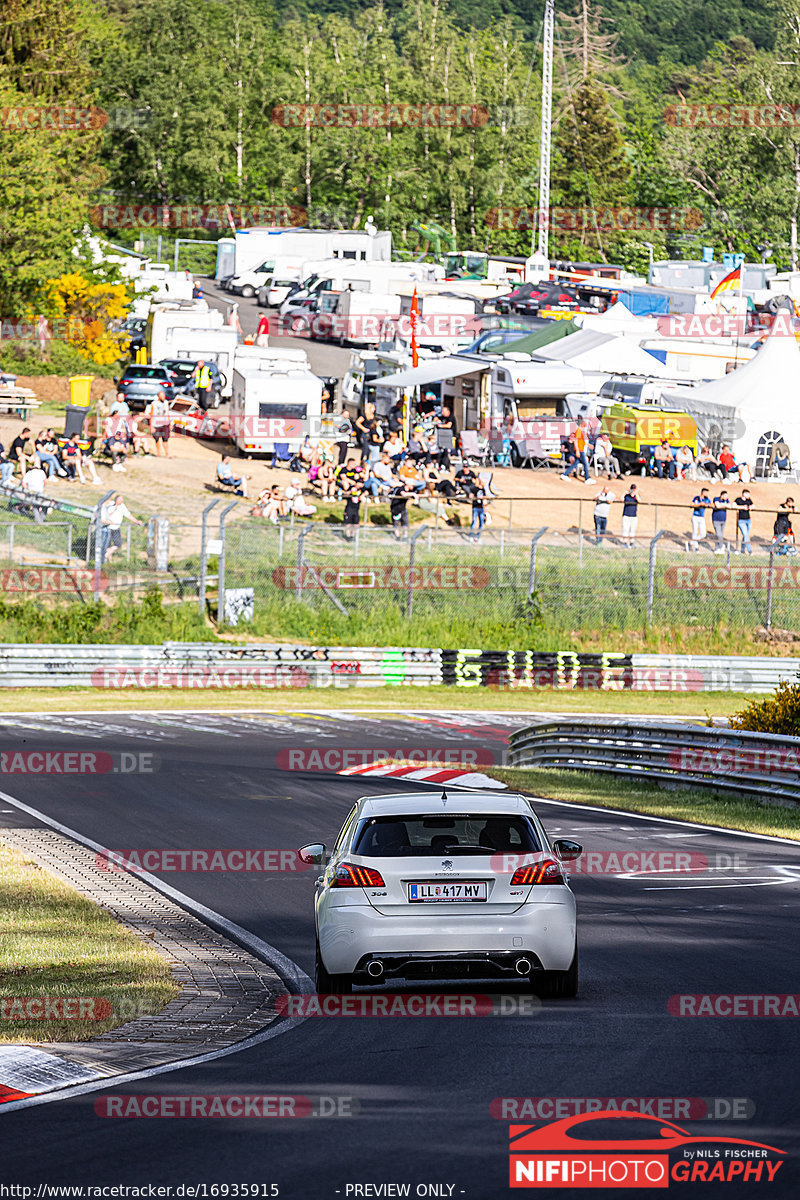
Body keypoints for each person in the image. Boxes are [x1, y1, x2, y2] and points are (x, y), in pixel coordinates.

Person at [100, 494, 143, 563]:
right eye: (120, 499)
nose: (122, 501)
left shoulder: (122, 506)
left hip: (116, 528)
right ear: (116, 500)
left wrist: (136, 521)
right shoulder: (110, 505)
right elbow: (104, 512)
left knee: (118, 544)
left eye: (122, 500)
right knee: (108, 546)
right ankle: (108, 562)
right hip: (108, 527)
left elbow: (128, 515)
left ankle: (105, 556)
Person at [561, 418, 593, 483]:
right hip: (580, 450)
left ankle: (565, 474)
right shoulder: (578, 431)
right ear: (582, 424)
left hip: (580, 449)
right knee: (585, 464)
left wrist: (588, 444)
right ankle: (587, 478)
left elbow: (581, 441)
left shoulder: (580, 431)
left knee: (576, 463)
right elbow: (576, 441)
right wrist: (577, 450)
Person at [145, 390, 171, 458]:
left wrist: (170, 423)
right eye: (161, 395)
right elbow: (152, 414)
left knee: (165, 440)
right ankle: (158, 453)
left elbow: (167, 413)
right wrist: (151, 425)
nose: (163, 397)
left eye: (164, 395)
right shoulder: (154, 403)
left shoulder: (166, 402)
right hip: (156, 424)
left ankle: (167, 454)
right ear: (158, 396)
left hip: (165, 423)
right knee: (157, 439)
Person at [735, 489, 754, 555]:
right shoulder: (738, 500)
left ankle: (742, 550)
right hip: (741, 521)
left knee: (745, 536)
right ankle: (750, 551)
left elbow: (753, 505)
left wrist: (751, 507)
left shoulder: (749, 500)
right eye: (748, 494)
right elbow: (733, 505)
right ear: (744, 494)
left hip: (748, 520)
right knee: (746, 535)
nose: (749, 495)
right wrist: (742, 507)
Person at [621, 483, 639, 548]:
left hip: (634, 516)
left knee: (633, 529)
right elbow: (621, 499)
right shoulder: (627, 496)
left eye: (634, 489)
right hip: (626, 515)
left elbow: (640, 501)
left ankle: (632, 543)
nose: (633, 490)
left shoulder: (636, 497)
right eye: (632, 489)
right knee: (625, 529)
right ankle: (625, 542)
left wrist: (636, 494)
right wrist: (625, 493)